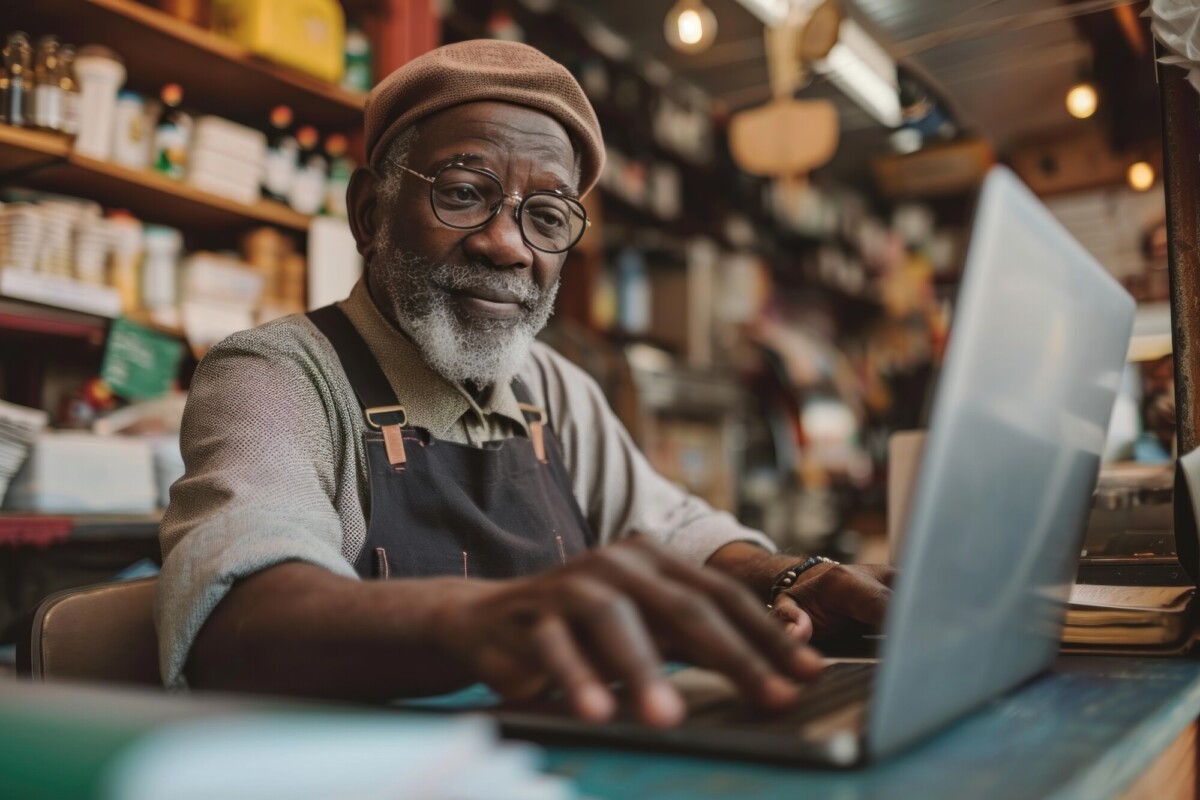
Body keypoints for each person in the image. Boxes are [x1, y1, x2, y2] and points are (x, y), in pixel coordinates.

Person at [157, 40, 893, 728]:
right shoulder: (279, 375)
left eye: (546, 216)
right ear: (371, 214)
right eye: (462, 193)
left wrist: (791, 577)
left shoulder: (553, 388)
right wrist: (476, 620)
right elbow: (241, 621)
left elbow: (675, 533)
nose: (508, 246)